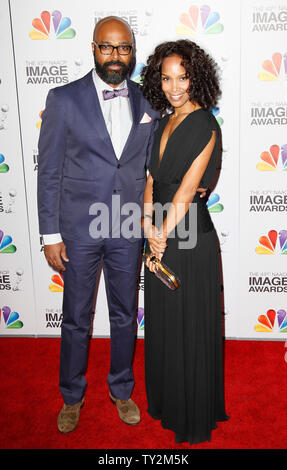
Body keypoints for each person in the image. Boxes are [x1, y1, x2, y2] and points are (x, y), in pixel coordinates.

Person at [37, 16, 160, 433]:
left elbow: (152, 168)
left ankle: (121, 389)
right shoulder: (64, 99)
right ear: (93, 49)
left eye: (123, 48)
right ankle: (72, 394)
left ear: (132, 52)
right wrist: (50, 234)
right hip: (79, 228)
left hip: (126, 226)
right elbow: (49, 172)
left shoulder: (147, 102)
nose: (115, 56)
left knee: (126, 313)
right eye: (106, 47)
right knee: (76, 315)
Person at [140, 40, 229, 445]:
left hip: (190, 242)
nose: (175, 87)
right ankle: (167, 401)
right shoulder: (162, 121)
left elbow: (187, 191)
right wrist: (146, 223)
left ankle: (190, 413)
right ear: (158, 81)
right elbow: (151, 181)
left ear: (198, 78)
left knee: (189, 327)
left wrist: (160, 236)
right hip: (160, 234)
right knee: (165, 327)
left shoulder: (205, 125)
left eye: (183, 77)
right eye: (167, 78)